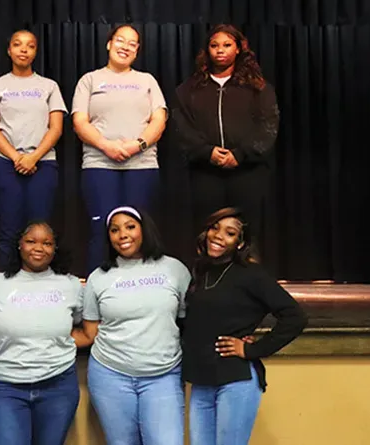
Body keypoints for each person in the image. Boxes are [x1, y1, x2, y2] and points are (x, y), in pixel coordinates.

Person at [182, 207, 307, 445]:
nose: (219, 236)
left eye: (229, 233)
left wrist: (252, 350)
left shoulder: (251, 274)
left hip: (235, 380)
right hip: (201, 382)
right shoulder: (200, 270)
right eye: (215, 228)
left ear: (240, 243)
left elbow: (295, 317)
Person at [72, 206, 190, 445]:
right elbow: (91, 332)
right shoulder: (98, 277)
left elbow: (188, 319)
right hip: (110, 375)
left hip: (163, 375)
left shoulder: (174, 269)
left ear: (144, 229)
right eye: (114, 230)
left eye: (130, 227)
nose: (122, 235)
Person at [72, 24, 169, 274]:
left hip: (142, 166)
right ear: (109, 44)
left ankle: (141, 284)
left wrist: (138, 145)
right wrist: (107, 146)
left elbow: (159, 120)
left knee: (140, 230)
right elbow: (80, 122)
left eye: (132, 43)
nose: (125, 47)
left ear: (137, 50)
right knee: (101, 230)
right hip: (99, 165)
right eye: (120, 40)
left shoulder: (147, 80)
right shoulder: (90, 80)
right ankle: (99, 287)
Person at [172, 24, 280, 246]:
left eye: (227, 45)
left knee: (247, 231)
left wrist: (240, 154)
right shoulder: (189, 89)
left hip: (248, 171)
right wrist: (207, 152)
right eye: (214, 45)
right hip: (205, 172)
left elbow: (268, 126)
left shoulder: (258, 87)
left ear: (238, 48)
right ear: (207, 50)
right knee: (206, 230)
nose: (220, 50)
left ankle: (246, 268)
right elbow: (180, 126)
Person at [0, 220, 82, 445]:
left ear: (55, 249)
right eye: (31, 241)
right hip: (7, 387)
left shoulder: (71, 284)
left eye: (47, 243)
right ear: (19, 245)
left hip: (58, 386)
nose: (39, 248)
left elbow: (80, 324)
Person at [0, 30, 67, 268]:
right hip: (5, 163)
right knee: (8, 228)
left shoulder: (49, 86)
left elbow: (56, 128)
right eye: (18, 44)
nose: (23, 50)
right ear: (9, 50)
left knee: (40, 228)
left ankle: (39, 279)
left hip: (43, 163)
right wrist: (17, 157)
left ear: (35, 52)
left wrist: (34, 157)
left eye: (30, 46)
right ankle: (8, 279)